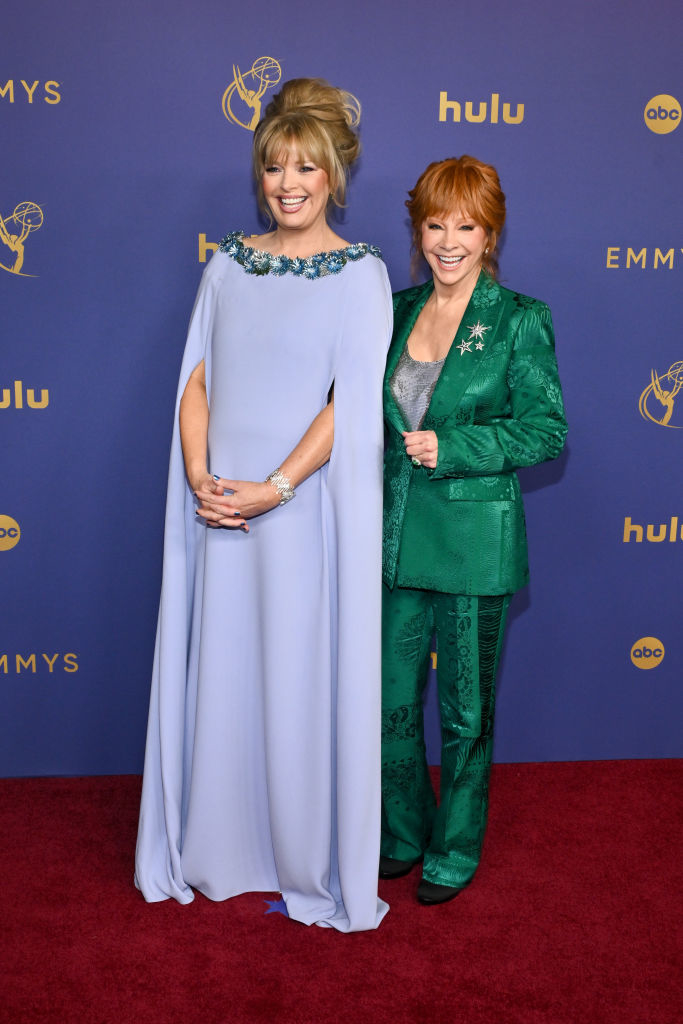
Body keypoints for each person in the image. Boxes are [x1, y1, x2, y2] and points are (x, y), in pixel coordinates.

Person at [135, 78, 392, 932]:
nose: (288, 182)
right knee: (225, 670)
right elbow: (197, 379)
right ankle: (211, 849)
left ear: (333, 177)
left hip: (296, 513)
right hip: (220, 510)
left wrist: (273, 488)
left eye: (305, 167)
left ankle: (295, 856)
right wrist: (205, 478)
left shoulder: (360, 276)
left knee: (292, 675)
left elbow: (347, 408)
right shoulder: (227, 263)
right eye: (275, 165)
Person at [380, 156, 567, 904]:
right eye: (434, 224)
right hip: (392, 542)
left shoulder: (518, 318)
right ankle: (400, 833)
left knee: (464, 713)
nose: (448, 241)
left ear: (490, 234)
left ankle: (454, 847)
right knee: (388, 707)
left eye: (466, 226)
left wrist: (454, 447)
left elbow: (546, 430)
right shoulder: (391, 310)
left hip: (471, 547)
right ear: (416, 229)